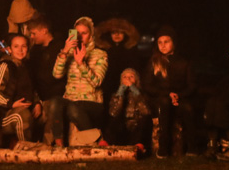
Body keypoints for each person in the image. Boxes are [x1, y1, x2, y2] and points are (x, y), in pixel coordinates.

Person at [52, 17, 109, 145]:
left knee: (73, 107)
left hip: (92, 102)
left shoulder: (100, 54)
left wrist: (81, 63)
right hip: (71, 98)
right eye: (78, 33)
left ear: (91, 35)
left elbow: (97, 82)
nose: (81, 36)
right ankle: (58, 144)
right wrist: (65, 51)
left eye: (84, 33)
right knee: (56, 102)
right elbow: (56, 74)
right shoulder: (69, 53)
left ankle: (96, 140)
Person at [142, 25, 197, 157]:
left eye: (166, 42)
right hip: (160, 98)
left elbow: (192, 86)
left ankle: (193, 147)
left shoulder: (184, 62)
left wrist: (178, 96)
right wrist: (167, 94)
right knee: (165, 103)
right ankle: (163, 147)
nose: (163, 45)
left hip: (179, 98)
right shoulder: (155, 61)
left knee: (188, 109)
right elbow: (147, 85)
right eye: (160, 42)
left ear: (173, 42)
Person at [0, 33, 40, 144]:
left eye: (24, 46)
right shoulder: (5, 66)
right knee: (22, 116)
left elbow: (32, 89)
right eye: (16, 46)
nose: (20, 50)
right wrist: (11, 103)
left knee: (49, 110)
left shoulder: (27, 66)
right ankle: (25, 149)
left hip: (27, 107)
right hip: (2, 114)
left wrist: (37, 103)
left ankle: (49, 150)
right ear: (9, 49)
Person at [26, 17, 66, 144]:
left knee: (52, 111)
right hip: (39, 96)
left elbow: (60, 75)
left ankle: (48, 146)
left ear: (44, 30)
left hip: (55, 95)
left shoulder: (59, 47)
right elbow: (31, 76)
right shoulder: (34, 51)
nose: (32, 37)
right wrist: (37, 100)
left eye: (34, 33)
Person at [96, 17, 142, 106]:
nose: (117, 34)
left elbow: (135, 68)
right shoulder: (104, 50)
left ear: (125, 34)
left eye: (120, 32)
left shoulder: (131, 50)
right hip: (107, 86)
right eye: (113, 32)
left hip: (126, 85)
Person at [104, 67, 150, 150]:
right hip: (122, 128)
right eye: (124, 77)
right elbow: (113, 113)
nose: (128, 79)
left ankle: (138, 146)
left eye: (131, 77)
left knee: (143, 121)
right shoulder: (116, 95)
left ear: (136, 79)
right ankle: (106, 143)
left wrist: (136, 92)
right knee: (113, 120)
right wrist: (120, 95)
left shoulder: (142, 94)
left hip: (136, 127)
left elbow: (146, 111)